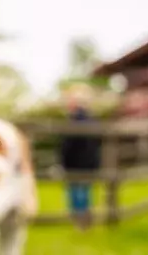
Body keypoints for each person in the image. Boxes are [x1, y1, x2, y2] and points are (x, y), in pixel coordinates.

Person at [59, 84, 101, 230]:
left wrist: (63, 162)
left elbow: (68, 146)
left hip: (75, 164)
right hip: (89, 163)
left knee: (77, 194)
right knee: (85, 192)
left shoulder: (74, 121)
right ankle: (84, 220)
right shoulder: (93, 121)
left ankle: (79, 222)